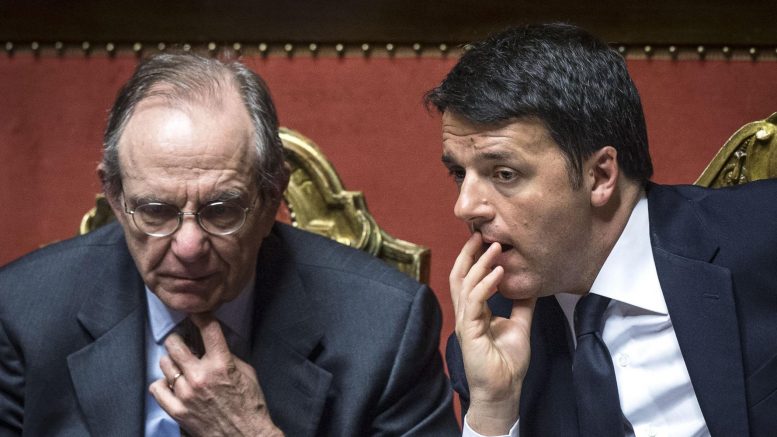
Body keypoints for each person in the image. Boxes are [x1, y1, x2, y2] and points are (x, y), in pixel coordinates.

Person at [0, 52, 459, 436]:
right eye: (156, 211)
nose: (189, 247)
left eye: (221, 210)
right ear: (116, 199)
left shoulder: (385, 328)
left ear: (272, 197)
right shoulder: (23, 312)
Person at [425, 23, 777, 437]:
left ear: (600, 176)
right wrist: (493, 408)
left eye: (504, 173)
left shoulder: (763, 238)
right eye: (459, 173)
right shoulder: (487, 341)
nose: (464, 207)